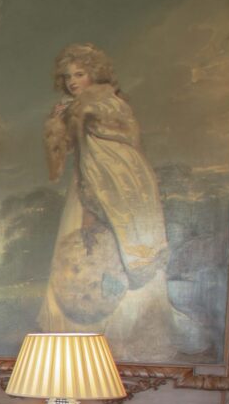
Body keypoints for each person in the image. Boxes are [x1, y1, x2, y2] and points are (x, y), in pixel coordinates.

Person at [39, 43, 196, 362]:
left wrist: (77, 114)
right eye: (68, 76)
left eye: (79, 74)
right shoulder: (77, 107)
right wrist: (58, 124)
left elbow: (119, 147)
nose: (72, 81)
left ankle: (124, 332)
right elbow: (64, 157)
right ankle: (75, 333)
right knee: (83, 253)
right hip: (89, 179)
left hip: (114, 183)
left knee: (113, 250)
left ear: (94, 74)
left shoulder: (103, 104)